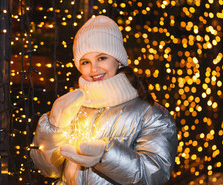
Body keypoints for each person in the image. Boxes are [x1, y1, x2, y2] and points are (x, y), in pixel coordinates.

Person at [30, 15, 178, 185]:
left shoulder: (151, 115)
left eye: (102, 58)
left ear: (118, 60)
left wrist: (106, 155)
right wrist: (53, 126)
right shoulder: (72, 108)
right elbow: (48, 169)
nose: (94, 69)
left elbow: (155, 175)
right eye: (86, 61)